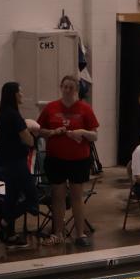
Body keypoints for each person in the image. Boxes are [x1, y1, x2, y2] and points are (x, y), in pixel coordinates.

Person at [37, 74, 99, 247]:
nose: (68, 90)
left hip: (78, 159)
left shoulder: (85, 109)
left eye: (71, 87)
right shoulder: (50, 108)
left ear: (76, 90)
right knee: (58, 196)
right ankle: (57, 233)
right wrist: (51, 132)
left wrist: (81, 132)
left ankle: (80, 233)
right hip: (56, 158)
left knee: (76, 196)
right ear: (61, 87)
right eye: (65, 87)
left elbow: (94, 135)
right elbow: (38, 129)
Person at [0, 81, 38, 245]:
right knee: (32, 198)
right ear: (14, 94)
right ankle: (5, 221)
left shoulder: (2, 114)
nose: (22, 95)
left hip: (6, 161)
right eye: (20, 92)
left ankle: (10, 235)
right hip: (17, 162)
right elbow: (27, 139)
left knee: (12, 197)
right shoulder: (13, 115)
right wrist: (33, 138)